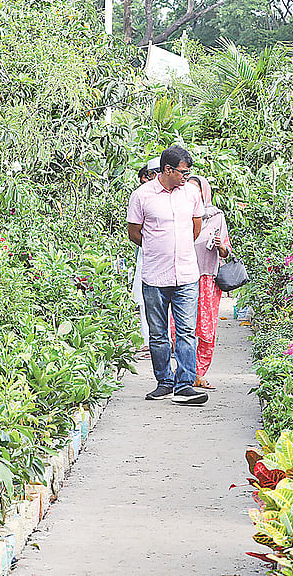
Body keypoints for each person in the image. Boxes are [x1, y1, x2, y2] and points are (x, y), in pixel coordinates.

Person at [126, 145, 208, 405]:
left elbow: (196, 227)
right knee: (158, 333)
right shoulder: (142, 196)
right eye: (183, 171)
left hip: (186, 274)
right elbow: (134, 233)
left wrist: (178, 247)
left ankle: (184, 385)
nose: (187, 176)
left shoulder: (191, 194)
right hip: (154, 276)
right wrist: (157, 249)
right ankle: (164, 381)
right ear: (168, 170)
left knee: (186, 332)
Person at [186, 175, 230, 390]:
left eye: (198, 190)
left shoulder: (216, 217)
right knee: (180, 328)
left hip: (207, 279)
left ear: (205, 193)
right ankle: (185, 371)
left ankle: (200, 373)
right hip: (183, 277)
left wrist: (220, 245)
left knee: (205, 328)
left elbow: (227, 252)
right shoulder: (180, 213)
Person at [131, 158, 160, 356]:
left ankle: (158, 343)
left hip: (170, 261)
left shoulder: (180, 196)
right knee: (146, 300)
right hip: (148, 254)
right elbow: (134, 231)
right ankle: (150, 341)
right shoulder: (141, 197)